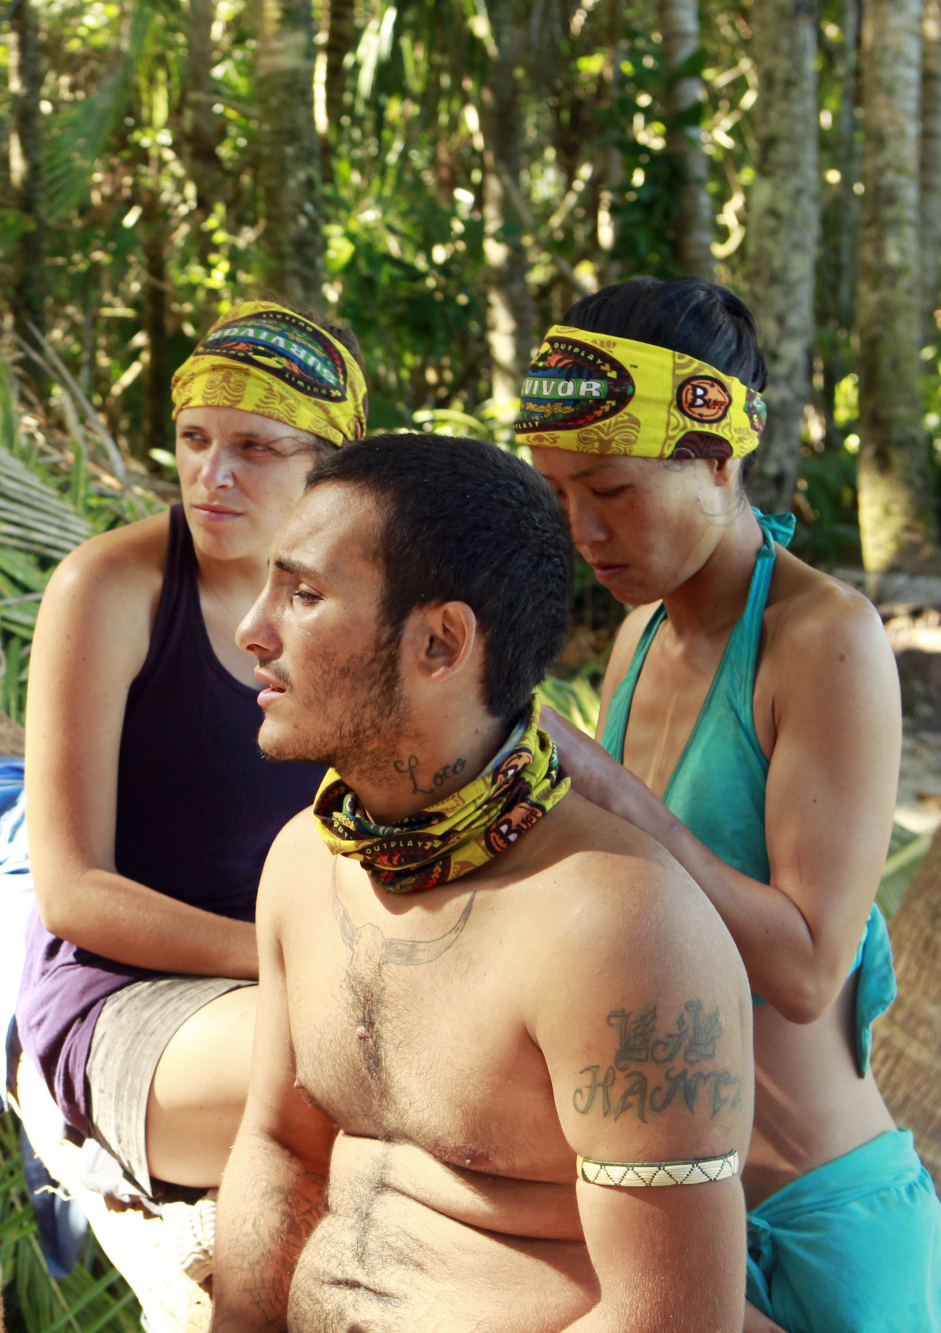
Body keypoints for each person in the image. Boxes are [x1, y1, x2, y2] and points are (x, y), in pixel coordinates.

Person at [214, 434, 755, 1331]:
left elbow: (672, 1321)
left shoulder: (621, 930)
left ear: (441, 641)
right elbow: (280, 1149)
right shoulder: (306, 861)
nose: (252, 629)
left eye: (304, 594)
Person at [520, 276, 941, 1332]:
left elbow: (803, 969)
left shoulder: (823, 641)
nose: (581, 527)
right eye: (557, 491)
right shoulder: (638, 634)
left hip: (814, 1232)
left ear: (717, 457)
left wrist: (608, 790)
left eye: (608, 491)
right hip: (663, 1232)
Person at [17, 301, 369, 1200]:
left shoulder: (372, 597)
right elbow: (71, 890)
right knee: (348, 1075)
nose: (213, 474)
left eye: (255, 447)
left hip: (321, 975)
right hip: (127, 995)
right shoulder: (107, 587)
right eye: (194, 439)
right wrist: (284, 955)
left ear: (332, 471)